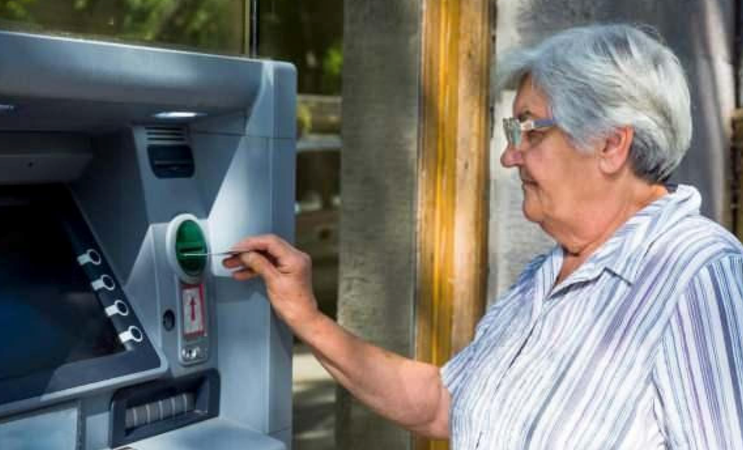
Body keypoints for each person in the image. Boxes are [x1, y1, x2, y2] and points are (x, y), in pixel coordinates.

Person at [223, 24, 743, 449]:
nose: (509, 155)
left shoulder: (696, 272)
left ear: (610, 144)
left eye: (528, 130)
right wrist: (307, 318)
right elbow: (441, 403)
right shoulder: (548, 273)